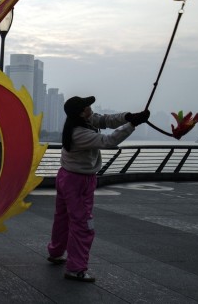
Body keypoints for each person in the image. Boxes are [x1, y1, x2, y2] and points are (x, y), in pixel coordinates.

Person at [46, 96, 149, 282]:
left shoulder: (81, 121)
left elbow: (106, 120)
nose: (90, 107)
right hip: (78, 181)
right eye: (87, 106)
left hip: (66, 176)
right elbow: (108, 141)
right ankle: (75, 269)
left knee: (62, 218)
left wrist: (129, 117)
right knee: (83, 225)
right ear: (81, 112)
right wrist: (131, 125)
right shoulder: (80, 133)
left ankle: (55, 252)